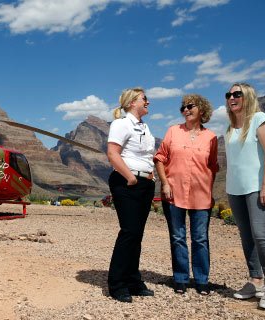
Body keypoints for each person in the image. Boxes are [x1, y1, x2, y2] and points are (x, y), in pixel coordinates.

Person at [154, 94, 219, 296]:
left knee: (200, 238)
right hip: (173, 193)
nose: (185, 110)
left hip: (201, 196)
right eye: (182, 107)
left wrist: (209, 190)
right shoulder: (173, 131)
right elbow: (160, 158)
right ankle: (180, 279)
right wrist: (164, 183)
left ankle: (201, 280)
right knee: (178, 237)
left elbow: (213, 167)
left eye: (190, 106)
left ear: (201, 109)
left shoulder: (211, 137)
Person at [225, 82, 265, 310]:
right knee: (246, 237)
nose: (231, 97)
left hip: (257, 187)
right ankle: (255, 280)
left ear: (247, 96)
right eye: (228, 94)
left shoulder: (259, 119)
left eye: (237, 94)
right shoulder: (229, 128)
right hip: (234, 189)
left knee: (260, 235)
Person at [106, 87, 156, 303]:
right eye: (144, 99)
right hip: (127, 183)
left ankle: (133, 281)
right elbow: (112, 153)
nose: (148, 102)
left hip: (144, 184)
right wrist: (131, 177)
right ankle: (116, 284)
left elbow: (144, 155)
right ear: (131, 102)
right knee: (129, 232)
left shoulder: (144, 126)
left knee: (137, 234)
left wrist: (149, 174)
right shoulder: (121, 124)